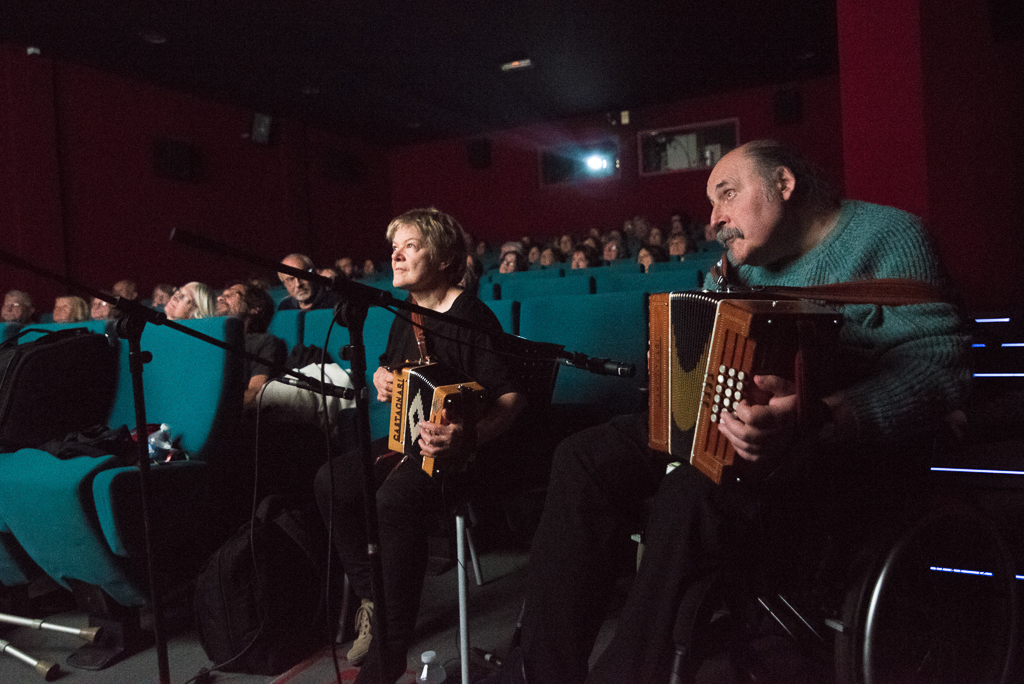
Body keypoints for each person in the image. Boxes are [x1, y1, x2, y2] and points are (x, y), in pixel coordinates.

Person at [500, 140, 968, 684]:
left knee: (693, 487)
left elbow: (939, 363)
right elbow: (700, 357)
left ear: (784, 184)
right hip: (730, 427)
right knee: (583, 456)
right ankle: (536, 674)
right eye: (711, 203)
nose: (714, 219)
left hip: (836, 446)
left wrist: (825, 414)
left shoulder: (889, 236)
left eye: (727, 194)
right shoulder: (732, 270)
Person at [314, 208, 526, 682]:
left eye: (411, 245)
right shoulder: (403, 314)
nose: (397, 255)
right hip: (408, 442)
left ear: (446, 258)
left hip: (462, 452)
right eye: (395, 247)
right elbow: (390, 367)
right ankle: (374, 597)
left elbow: (512, 399)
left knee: (392, 501)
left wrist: (466, 435)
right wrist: (380, 376)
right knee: (331, 481)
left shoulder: (471, 315)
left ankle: (388, 649)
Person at [217, 282, 286, 410]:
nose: (220, 298)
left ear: (254, 308)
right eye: (223, 295)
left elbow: (254, 394)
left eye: (231, 295)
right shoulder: (214, 339)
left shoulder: (265, 342)